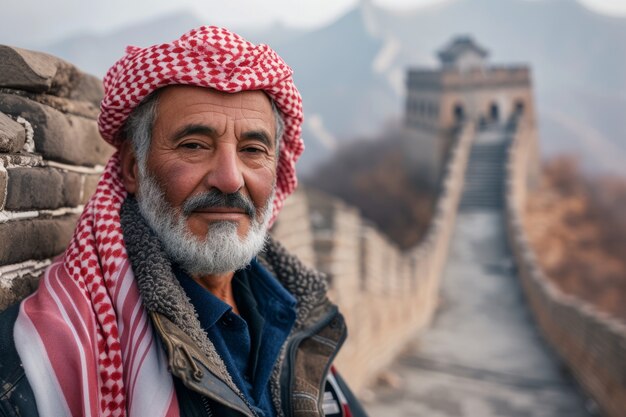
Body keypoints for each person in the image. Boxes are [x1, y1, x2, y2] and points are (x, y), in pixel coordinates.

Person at [0, 26, 367, 417]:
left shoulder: (296, 310)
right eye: (194, 145)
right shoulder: (44, 358)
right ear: (132, 168)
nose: (229, 178)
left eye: (253, 150)